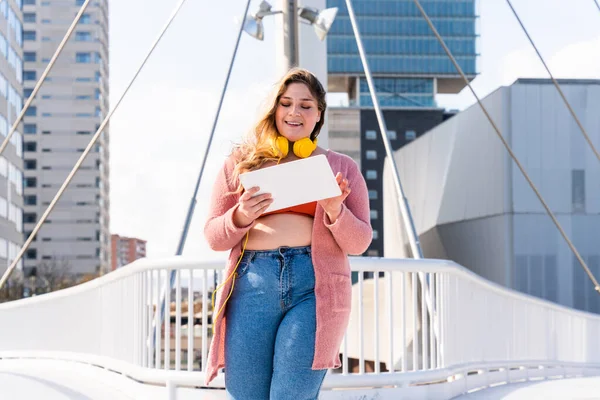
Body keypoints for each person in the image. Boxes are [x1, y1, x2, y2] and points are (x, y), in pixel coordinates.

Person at [203, 67, 372, 399]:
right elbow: (213, 236)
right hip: (252, 284)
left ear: (318, 114)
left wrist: (337, 210)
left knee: (291, 395)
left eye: (306, 105)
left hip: (315, 287)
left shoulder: (342, 167)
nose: (295, 112)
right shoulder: (240, 163)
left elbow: (360, 242)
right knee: (247, 393)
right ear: (274, 110)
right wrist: (239, 216)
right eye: (286, 103)